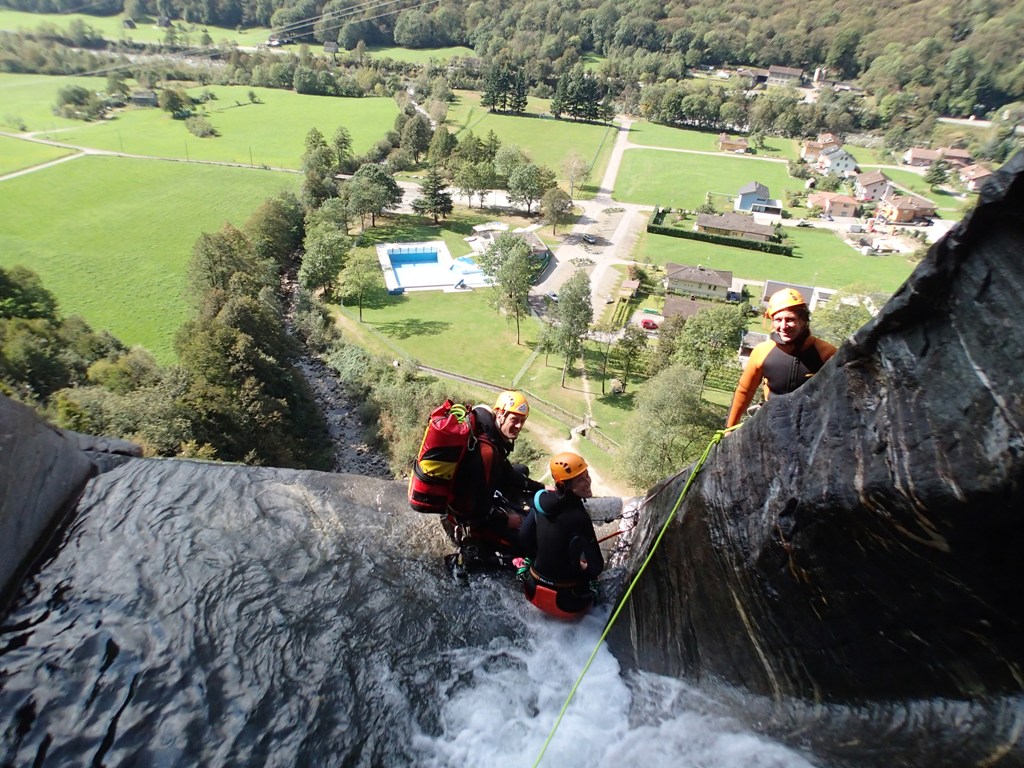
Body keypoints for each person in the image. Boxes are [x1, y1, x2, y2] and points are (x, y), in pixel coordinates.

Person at [446, 390, 544, 566]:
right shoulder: (486, 451)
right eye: (514, 420)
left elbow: (509, 474)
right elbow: (473, 507)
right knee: (528, 544)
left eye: (522, 421)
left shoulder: (491, 437)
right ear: (500, 415)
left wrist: (541, 488)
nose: (519, 426)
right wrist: (506, 520)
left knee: (522, 469)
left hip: (481, 495)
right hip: (469, 517)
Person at [726, 288, 837, 428]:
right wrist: (729, 428)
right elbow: (745, 391)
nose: (783, 326)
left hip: (810, 426)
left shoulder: (826, 353)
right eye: (778, 320)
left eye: (790, 319)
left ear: (803, 320)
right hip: (771, 422)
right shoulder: (763, 351)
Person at [517, 452, 604, 619]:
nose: (587, 482)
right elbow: (596, 567)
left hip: (533, 588)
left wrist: (543, 557)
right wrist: (582, 569)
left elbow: (523, 539)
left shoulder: (540, 500)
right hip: (567, 601)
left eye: (587, 476)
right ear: (564, 484)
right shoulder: (580, 517)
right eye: (580, 480)